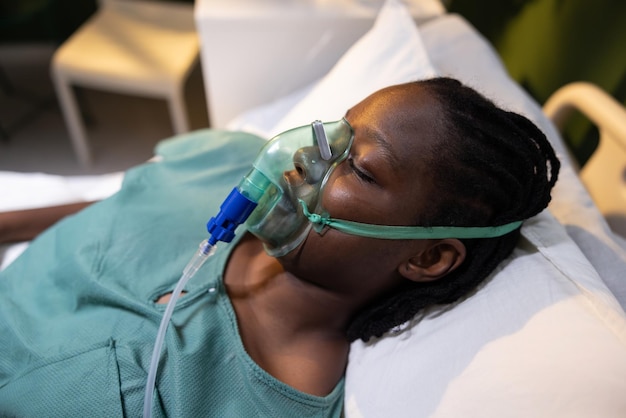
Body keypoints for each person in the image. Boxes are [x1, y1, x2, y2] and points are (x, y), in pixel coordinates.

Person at [0, 77, 559, 416]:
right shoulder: (226, 161)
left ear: (427, 257)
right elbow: (121, 197)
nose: (304, 156)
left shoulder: (262, 404)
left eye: (360, 168)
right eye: (337, 130)